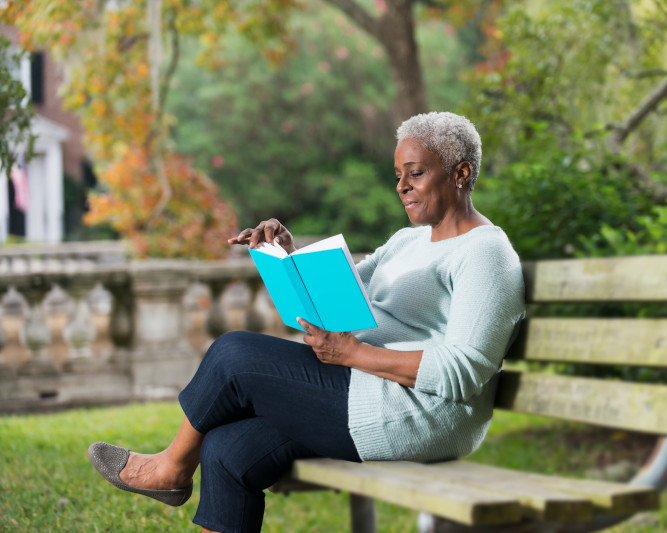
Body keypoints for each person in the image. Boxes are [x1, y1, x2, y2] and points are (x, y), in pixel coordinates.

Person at [88, 111, 525, 533]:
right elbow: (343, 294)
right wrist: (288, 255)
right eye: (398, 175)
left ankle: (172, 468)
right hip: (363, 385)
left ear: (461, 173)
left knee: (234, 354)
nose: (401, 187)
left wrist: (354, 353)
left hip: (420, 414)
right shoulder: (409, 240)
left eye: (415, 173)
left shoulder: (485, 254)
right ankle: (179, 468)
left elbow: (465, 371)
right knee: (227, 450)